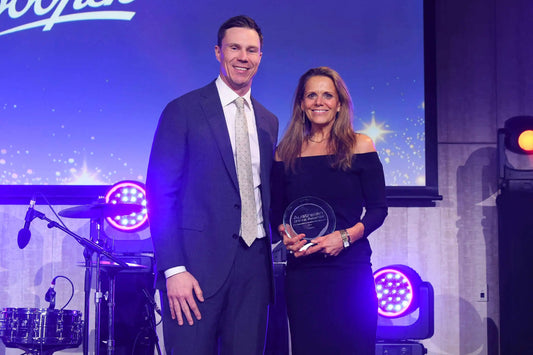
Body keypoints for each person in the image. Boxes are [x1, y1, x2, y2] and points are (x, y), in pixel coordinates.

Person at [146, 15, 278, 355]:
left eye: (252, 50)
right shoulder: (183, 111)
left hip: (254, 269)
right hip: (194, 269)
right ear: (218, 52)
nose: (243, 57)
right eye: (235, 48)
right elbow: (160, 195)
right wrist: (174, 269)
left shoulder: (268, 121)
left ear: (260, 57)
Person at [271, 66, 388, 354]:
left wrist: (344, 237)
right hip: (303, 274)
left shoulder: (360, 145)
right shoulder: (284, 152)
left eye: (327, 95)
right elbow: (276, 213)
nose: (319, 102)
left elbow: (377, 210)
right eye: (311, 95)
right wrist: (285, 234)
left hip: (351, 269)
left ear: (339, 104)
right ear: (301, 103)